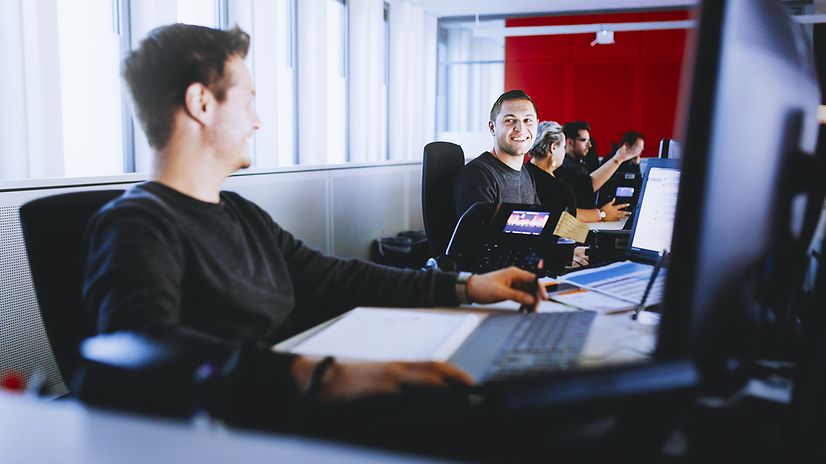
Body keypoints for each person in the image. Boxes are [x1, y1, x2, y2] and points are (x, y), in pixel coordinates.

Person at [82, 24, 546, 420]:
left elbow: (335, 278)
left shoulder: (239, 213)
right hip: (240, 423)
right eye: (248, 101)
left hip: (289, 399)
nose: (257, 121)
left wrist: (468, 287)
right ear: (202, 103)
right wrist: (323, 376)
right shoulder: (136, 223)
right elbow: (139, 343)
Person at [453, 90, 540, 218]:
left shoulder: (525, 173)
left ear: (537, 125)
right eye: (510, 120)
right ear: (492, 127)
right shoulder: (478, 176)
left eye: (527, 120)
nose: (520, 128)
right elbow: (479, 230)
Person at [525, 121, 589, 267]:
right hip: (557, 255)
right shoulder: (552, 186)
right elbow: (563, 226)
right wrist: (593, 238)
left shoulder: (525, 173)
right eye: (564, 147)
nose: (564, 152)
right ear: (553, 147)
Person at [557, 121, 636, 223]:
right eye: (584, 140)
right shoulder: (564, 166)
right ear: (569, 142)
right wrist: (618, 159)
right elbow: (587, 186)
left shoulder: (578, 164)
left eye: (589, 141)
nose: (589, 145)